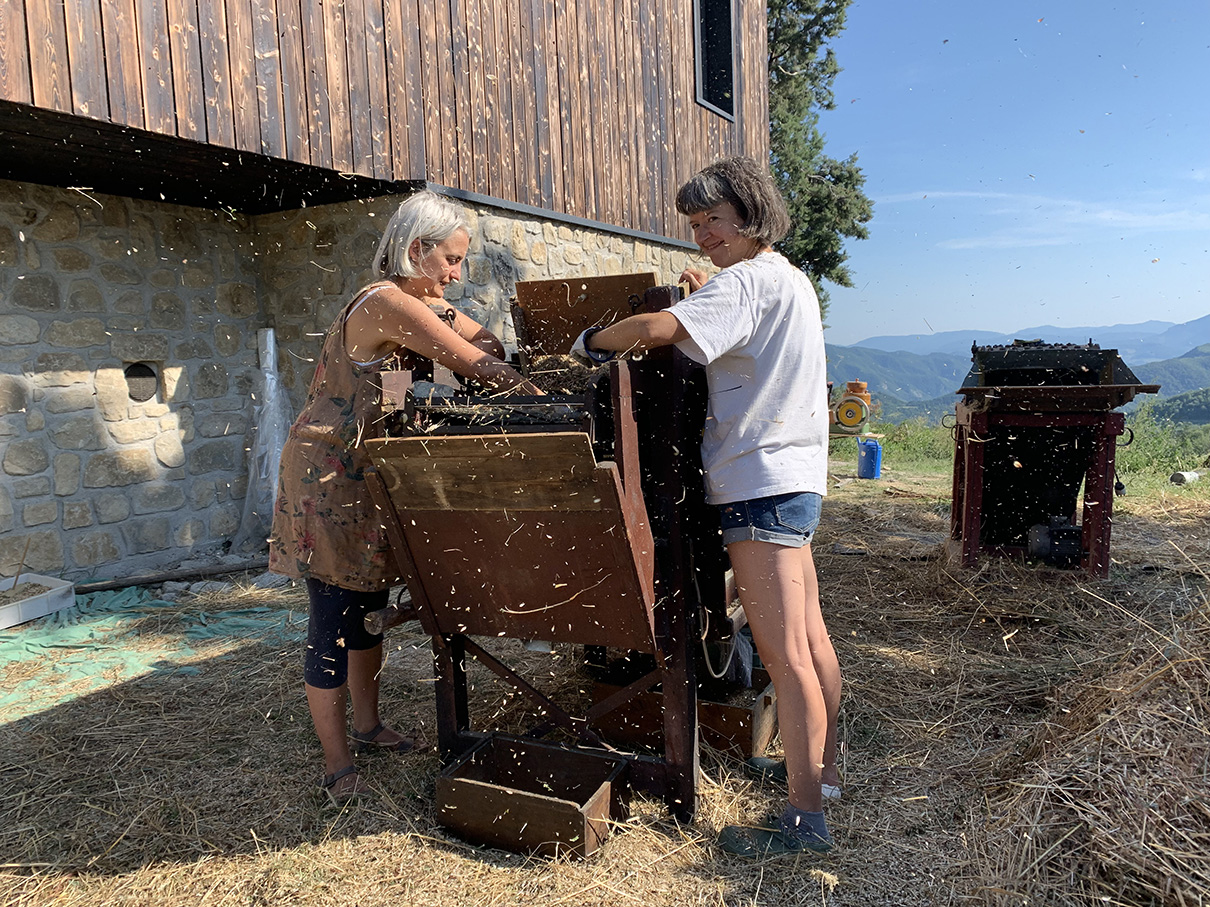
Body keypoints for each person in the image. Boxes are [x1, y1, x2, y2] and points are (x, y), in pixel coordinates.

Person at [570, 157, 842, 855]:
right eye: (695, 224)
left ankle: (805, 819)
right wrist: (707, 289)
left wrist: (590, 342)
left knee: (785, 655)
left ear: (751, 215)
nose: (703, 234)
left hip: (757, 483)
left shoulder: (745, 283)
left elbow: (659, 330)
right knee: (810, 640)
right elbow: (719, 326)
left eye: (714, 219)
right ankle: (824, 776)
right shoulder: (787, 278)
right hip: (794, 477)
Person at [269, 190, 541, 805]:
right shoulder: (385, 303)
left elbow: (480, 352)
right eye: (451, 259)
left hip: (367, 473)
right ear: (417, 250)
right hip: (328, 477)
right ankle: (336, 763)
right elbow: (482, 366)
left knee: (368, 609)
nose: (457, 274)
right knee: (333, 619)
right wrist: (542, 394)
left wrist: (445, 317)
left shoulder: (411, 311)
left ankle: (367, 727)